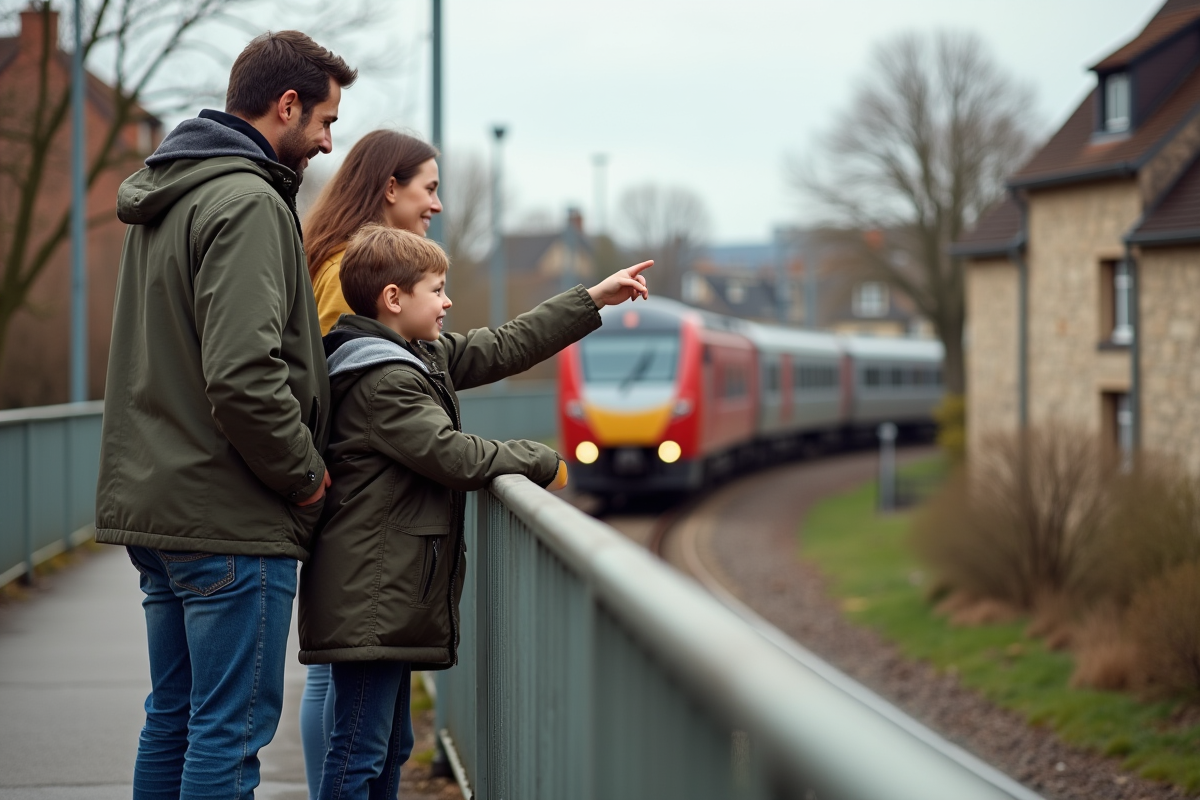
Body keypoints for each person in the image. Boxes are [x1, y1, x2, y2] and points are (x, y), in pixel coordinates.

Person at [297, 225, 651, 799]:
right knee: (359, 749)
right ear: (394, 298)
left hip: (381, 587)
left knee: (388, 745)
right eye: (437, 290)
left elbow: (505, 344)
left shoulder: (412, 355)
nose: (447, 302)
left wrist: (592, 299)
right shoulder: (384, 379)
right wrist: (538, 459)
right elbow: (452, 455)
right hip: (370, 591)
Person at [95, 31, 356, 800]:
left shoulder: (172, 193)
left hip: (162, 500)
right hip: (229, 516)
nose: (328, 142)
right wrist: (305, 477)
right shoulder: (247, 201)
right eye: (325, 121)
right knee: (227, 732)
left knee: (173, 718)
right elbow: (244, 376)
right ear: (287, 105)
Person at [297, 129, 442, 799]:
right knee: (349, 717)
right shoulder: (349, 272)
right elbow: (342, 390)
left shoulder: (346, 259)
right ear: (390, 188)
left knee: (362, 719)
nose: (435, 204)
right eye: (428, 188)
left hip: (352, 510)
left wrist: (587, 304)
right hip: (357, 513)